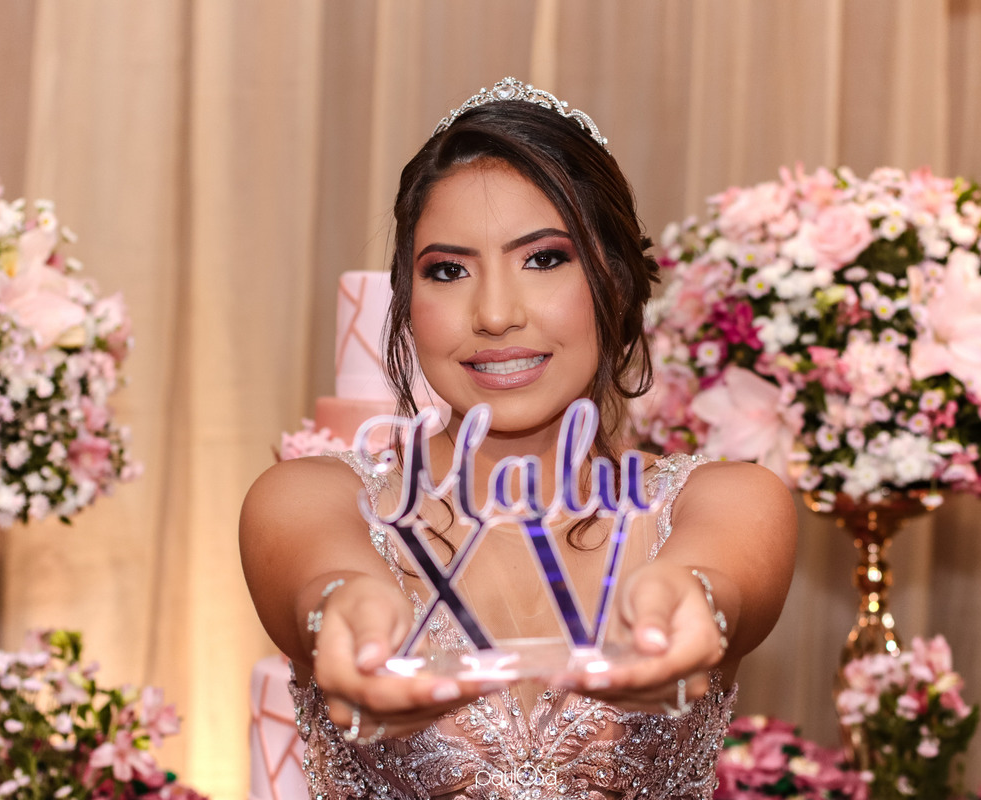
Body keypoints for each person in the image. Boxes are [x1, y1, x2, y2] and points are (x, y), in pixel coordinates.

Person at [240, 77, 797, 800]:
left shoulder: (728, 501)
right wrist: (345, 610)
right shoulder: (309, 499)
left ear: (615, 280)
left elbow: (715, 576)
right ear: (407, 303)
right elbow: (326, 578)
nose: (496, 313)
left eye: (543, 258)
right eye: (448, 270)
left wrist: (690, 601)